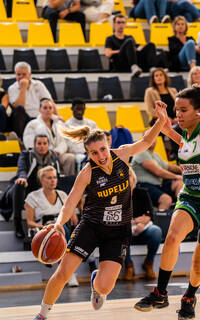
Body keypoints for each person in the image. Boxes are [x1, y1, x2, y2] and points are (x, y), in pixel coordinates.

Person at [32, 102, 168, 320]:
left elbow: (147, 141)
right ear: (88, 153)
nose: (101, 155)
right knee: (63, 273)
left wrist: (161, 120)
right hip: (92, 226)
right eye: (94, 153)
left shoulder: (122, 155)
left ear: (109, 144)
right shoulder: (87, 173)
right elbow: (69, 203)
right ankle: (42, 314)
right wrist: (59, 224)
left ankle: (97, 283)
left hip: (119, 230)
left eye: (103, 149)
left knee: (105, 287)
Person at [134, 63, 200, 320]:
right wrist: (166, 125)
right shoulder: (186, 134)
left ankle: (189, 295)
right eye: (177, 109)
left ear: (199, 112)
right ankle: (160, 292)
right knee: (172, 236)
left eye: (183, 110)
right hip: (190, 196)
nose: (178, 114)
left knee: (199, 264)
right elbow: (183, 142)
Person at [25, 166, 79, 286]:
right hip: (43, 231)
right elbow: (29, 222)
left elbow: (72, 215)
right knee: (56, 230)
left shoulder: (62, 195)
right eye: (49, 178)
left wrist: (73, 215)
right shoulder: (32, 196)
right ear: (42, 180)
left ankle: (68, 272)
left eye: (54, 177)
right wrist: (44, 228)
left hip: (62, 229)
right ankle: (69, 274)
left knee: (65, 230)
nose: (53, 180)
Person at [0, 134, 59, 239]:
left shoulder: (53, 156)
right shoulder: (26, 155)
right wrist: (23, 177)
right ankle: (17, 224)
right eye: (39, 143)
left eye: (44, 143)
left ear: (48, 145)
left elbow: (56, 174)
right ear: (34, 145)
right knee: (19, 184)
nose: (42, 146)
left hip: (38, 191)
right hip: (20, 190)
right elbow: (21, 169)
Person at [124, 168, 163, 280]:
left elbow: (150, 215)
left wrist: (139, 223)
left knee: (156, 231)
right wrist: (137, 221)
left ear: (134, 178)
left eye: (130, 176)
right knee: (122, 232)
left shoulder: (142, 193)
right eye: (124, 177)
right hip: (126, 231)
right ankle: (128, 265)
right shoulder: (116, 197)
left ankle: (148, 263)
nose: (127, 179)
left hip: (143, 230)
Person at [23, 99, 76, 176]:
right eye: (45, 108)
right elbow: (29, 143)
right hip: (42, 154)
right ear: (40, 110)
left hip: (58, 153)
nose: (48, 110)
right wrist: (47, 152)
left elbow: (65, 141)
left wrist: (58, 151)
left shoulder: (59, 124)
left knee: (70, 158)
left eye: (50, 108)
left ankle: (68, 182)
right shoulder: (32, 124)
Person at [131, 135, 183, 210]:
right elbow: (158, 172)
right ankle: (160, 220)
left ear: (156, 140)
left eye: (153, 136)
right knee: (166, 200)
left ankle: (181, 210)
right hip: (143, 186)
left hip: (158, 185)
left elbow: (170, 167)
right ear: (143, 139)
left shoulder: (155, 155)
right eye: (148, 136)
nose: (151, 138)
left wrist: (185, 170)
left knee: (179, 182)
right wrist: (175, 176)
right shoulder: (141, 152)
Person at [7, 62, 57, 138]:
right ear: (15, 75)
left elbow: (49, 101)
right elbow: (18, 106)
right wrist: (23, 88)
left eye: (24, 74)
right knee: (19, 109)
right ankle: (21, 140)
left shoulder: (39, 84)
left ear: (30, 75)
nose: (21, 77)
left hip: (39, 116)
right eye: (18, 74)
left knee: (48, 110)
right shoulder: (12, 88)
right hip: (23, 119)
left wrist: (58, 116)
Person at [64, 99, 98, 172]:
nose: (79, 111)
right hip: (77, 153)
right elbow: (68, 144)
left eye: (81, 109)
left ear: (84, 109)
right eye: (77, 109)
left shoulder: (92, 124)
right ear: (72, 109)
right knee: (82, 158)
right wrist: (83, 151)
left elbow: (98, 138)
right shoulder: (67, 125)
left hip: (91, 151)